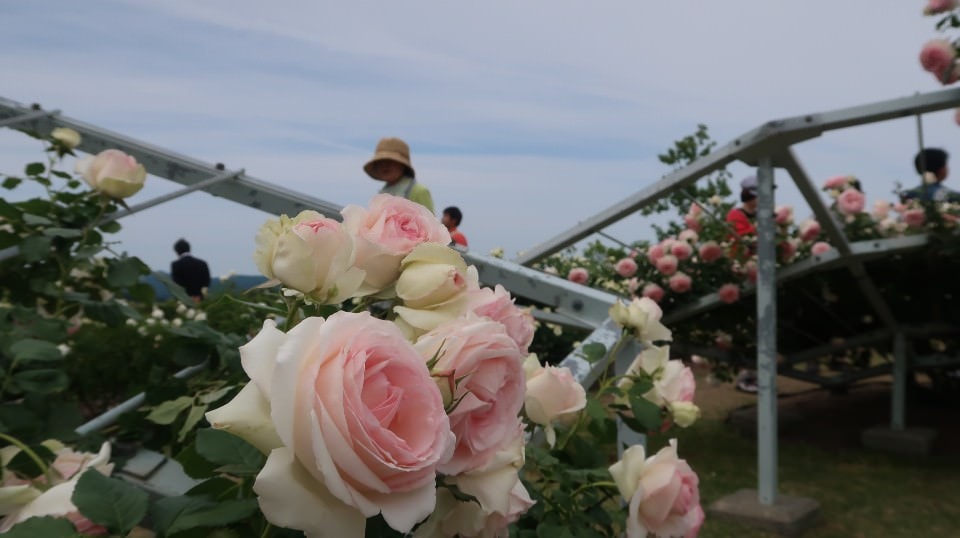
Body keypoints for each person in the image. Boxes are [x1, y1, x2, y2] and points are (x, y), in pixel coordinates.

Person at [726, 176, 760, 393]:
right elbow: (743, 241)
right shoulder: (735, 216)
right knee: (747, 324)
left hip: (758, 273)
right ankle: (746, 376)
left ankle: (753, 375)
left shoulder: (761, 216)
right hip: (741, 274)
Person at [363, 137, 435, 213]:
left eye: (390, 160)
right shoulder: (382, 193)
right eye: (381, 161)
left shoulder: (419, 191)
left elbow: (430, 223)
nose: (384, 165)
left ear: (402, 164)